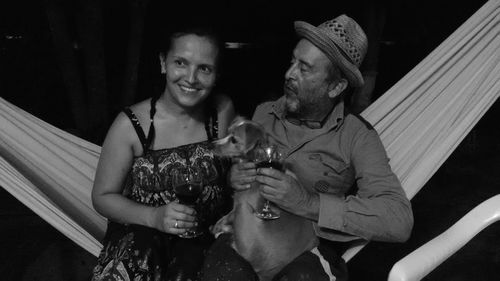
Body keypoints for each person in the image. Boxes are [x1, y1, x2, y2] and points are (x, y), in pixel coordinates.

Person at [205, 14, 413, 280]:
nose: (288, 74)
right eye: (293, 61)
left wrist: (307, 202)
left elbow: (398, 220)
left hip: (306, 247)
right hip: (248, 236)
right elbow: (239, 173)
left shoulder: (357, 136)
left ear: (336, 86)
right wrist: (235, 177)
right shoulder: (263, 113)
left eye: (304, 69)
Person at [91, 25, 235, 281]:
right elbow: (102, 197)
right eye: (181, 62)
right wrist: (154, 217)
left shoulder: (221, 112)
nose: (191, 78)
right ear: (163, 63)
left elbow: (230, 176)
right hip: (140, 238)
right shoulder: (131, 125)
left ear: (217, 74)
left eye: (204, 68)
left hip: (204, 239)